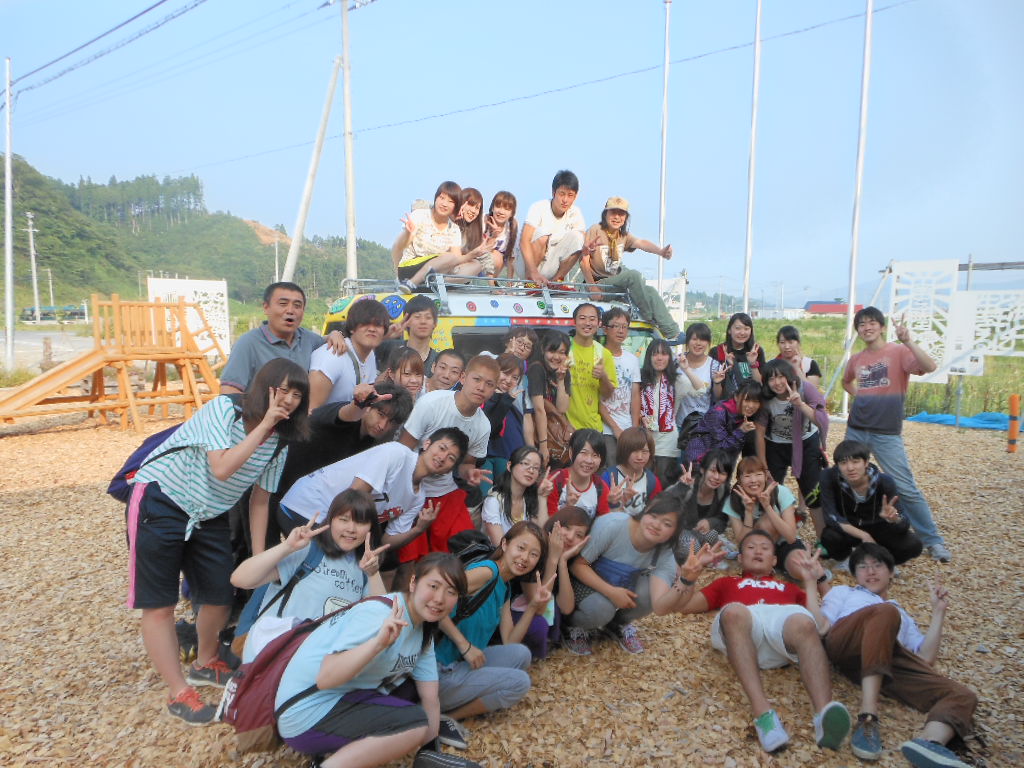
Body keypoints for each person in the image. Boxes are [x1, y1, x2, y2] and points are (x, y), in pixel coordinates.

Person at [126, 359, 310, 724]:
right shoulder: (224, 410)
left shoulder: (279, 443)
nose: (289, 400)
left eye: (297, 394)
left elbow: (260, 499)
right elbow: (222, 468)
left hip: (209, 512)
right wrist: (266, 423)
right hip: (161, 499)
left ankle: (205, 662)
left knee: (219, 594)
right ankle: (178, 691)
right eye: (283, 390)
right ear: (264, 387)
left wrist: (260, 557)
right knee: (159, 604)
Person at [274, 553, 469, 768]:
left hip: (340, 698)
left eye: (451, 592)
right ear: (413, 582)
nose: (440, 598)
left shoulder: (423, 630)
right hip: (304, 714)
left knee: (410, 690)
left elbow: (430, 698)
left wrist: (430, 753)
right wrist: (377, 644)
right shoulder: (379, 615)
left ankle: (338, 752)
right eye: (433, 586)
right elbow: (325, 679)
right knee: (415, 724)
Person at [677, 530, 852, 755]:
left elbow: (819, 626)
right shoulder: (726, 583)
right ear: (740, 558)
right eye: (750, 547)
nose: (758, 551)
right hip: (743, 626)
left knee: (803, 622)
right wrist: (690, 575)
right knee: (734, 613)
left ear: (774, 560)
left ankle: (824, 715)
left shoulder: (791, 589)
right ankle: (764, 716)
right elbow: (685, 606)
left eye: (765, 548)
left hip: (781, 629)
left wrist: (810, 582)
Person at [820, 543, 976, 767]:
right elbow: (823, 627)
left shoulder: (901, 613)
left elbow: (925, 659)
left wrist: (938, 613)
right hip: (847, 643)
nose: (870, 571)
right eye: (863, 567)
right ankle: (868, 717)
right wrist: (813, 581)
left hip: (886, 660)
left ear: (891, 572)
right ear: (854, 575)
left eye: (877, 565)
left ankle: (930, 743)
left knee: (963, 695)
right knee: (886, 612)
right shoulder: (844, 592)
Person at [842, 306, 951, 562]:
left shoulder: (899, 351)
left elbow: (930, 366)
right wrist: (861, 396)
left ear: (881, 327)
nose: (866, 328)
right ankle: (851, 537)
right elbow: (846, 382)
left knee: (905, 487)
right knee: (848, 481)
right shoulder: (856, 359)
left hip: (887, 432)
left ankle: (932, 540)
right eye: (861, 324)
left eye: (872, 323)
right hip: (857, 428)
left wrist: (908, 341)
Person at [231, 489, 389, 662]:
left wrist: (373, 574)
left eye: (360, 522)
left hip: (314, 664)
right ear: (331, 520)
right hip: (274, 657)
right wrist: (287, 547)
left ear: (371, 528)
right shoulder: (308, 550)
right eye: (343, 519)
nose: (351, 529)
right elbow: (240, 579)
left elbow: (382, 623)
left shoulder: (365, 570)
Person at [434, 522, 554, 749]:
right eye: (521, 548)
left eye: (533, 554)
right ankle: (439, 717)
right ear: (505, 544)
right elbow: (433, 601)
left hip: (460, 663)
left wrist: (533, 606)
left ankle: (446, 716)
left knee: (521, 654)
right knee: (519, 683)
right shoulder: (487, 571)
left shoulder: (505, 587)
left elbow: (510, 640)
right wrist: (465, 645)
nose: (525, 558)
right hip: (437, 670)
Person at [278, 428, 470, 562]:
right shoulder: (397, 454)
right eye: (442, 448)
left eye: (451, 458)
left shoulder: (418, 497)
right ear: (427, 443)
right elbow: (354, 495)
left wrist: (419, 529)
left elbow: (385, 542)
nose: (442, 457)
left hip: (336, 524)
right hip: (306, 506)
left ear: (450, 470)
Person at [563, 497, 724, 656]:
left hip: (619, 583)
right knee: (601, 609)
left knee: (647, 592)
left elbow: (660, 607)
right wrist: (611, 592)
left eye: (667, 524)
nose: (656, 525)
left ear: (675, 531)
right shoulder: (613, 525)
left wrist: (688, 578)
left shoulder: (665, 553)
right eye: (653, 516)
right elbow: (577, 565)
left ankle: (617, 624)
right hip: (582, 580)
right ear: (644, 512)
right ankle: (573, 626)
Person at [398, 355, 499, 561]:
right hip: (409, 487)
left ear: (494, 390)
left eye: (489, 384)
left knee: (462, 555)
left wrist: (469, 472)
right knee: (410, 559)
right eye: (476, 379)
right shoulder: (432, 403)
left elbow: (466, 464)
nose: (481, 388)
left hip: (444, 491)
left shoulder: (483, 426)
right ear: (463, 377)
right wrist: (406, 491)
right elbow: (402, 450)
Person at [276, 381, 413, 500]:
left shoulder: (371, 442)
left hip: (306, 497)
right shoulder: (346, 415)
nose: (382, 425)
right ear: (369, 407)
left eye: (391, 422)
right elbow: (349, 413)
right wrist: (359, 403)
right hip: (279, 484)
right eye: (381, 414)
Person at [578, 196, 681, 342]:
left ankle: (672, 333)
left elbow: (641, 243)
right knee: (633, 276)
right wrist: (592, 288)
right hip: (598, 284)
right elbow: (583, 261)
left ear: (626, 217)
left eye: (621, 213)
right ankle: (648, 317)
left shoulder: (623, 235)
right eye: (613, 212)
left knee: (650, 291)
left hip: (614, 285)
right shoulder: (595, 230)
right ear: (605, 214)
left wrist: (661, 251)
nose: (617, 217)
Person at [219, 282, 345, 395]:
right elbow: (230, 390)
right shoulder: (248, 343)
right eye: (283, 304)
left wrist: (335, 334)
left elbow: (325, 341)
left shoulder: (310, 340)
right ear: (266, 307)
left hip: (302, 413)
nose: (290, 310)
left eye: (297, 305)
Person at [818, 440, 924, 566]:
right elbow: (831, 517)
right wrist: (864, 536)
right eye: (843, 463)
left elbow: (904, 523)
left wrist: (894, 518)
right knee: (829, 537)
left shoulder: (885, 482)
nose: (850, 468)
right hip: (849, 527)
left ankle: (884, 561)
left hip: (878, 526)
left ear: (866, 462)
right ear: (837, 465)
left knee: (913, 544)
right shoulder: (828, 477)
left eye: (855, 461)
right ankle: (846, 559)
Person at [754, 358, 829, 535]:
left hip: (806, 442)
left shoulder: (805, 389)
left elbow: (821, 419)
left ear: (789, 376)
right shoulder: (766, 397)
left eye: (781, 377)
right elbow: (759, 433)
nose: (777, 382)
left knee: (813, 493)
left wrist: (800, 404)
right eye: (772, 378)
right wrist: (764, 466)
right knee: (770, 491)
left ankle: (823, 539)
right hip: (775, 445)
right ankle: (771, 536)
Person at [393, 181, 494, 290]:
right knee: (449, 257)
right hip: (413, 267)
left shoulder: (460, 230)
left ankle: (437, 283)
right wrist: (408, 234)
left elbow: (459, 259)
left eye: (477, 208)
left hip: (439, 269)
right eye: (442, 198)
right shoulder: (422, 215)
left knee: (476, 265)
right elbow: (398, 247)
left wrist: (472, 255)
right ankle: (414, 282)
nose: (473, 210)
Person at [722, 456, 810, 580]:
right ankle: (766, 567)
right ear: (739, 480)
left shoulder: (780, 492)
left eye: (758, 474)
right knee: (764, 525)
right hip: (756, 550)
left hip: (783, 543)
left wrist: (768, 507)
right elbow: (742, 543)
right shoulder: (733, 501)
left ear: (765, 476)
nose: (753, 480)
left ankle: (819, 578)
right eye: (747, 476)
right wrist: (748, 512)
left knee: (803, 570)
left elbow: (791, 537)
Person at [639, 338, 707, 486]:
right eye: (655, 354)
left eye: (664, 354)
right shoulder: (640, 378)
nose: (659, 358)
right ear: (649, 357)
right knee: (643, 482)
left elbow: (701, 390)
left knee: (663, 482)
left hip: (667, 440)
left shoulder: (676, 380)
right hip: (643, 439)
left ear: (669, 357)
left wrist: (686, 369)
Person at [309, 299, 392, 410]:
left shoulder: (370, 355)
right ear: (352, 328)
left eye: (378, 325)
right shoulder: (333, 356)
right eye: (365, 323)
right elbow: (310, 411)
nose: (372, 329)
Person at [660, 448, 734, 556]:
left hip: (698, 533)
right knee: (694, 547)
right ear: (703, 470)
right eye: (713, 471)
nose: (716, 477)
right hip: (677, 530)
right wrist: (681, 487)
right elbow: (663, 504)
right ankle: (685, 560)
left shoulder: (723, 490)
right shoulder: (689, 484)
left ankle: (700, 557)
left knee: (713, 535)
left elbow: (723, 519)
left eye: (722, 473)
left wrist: (710, 522)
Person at [519, 170, 586, 284]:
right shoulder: (539, 207)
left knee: (579, 238)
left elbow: (582, 242)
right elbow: (524, 241)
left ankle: (556, 282)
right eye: (562, 194)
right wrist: (533, 272)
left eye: (570, 195)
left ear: (575, 196)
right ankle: (530, 282)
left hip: (552, 264)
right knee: (543, 233)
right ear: (553, 192)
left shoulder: (576, 213)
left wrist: (588, 246)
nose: (565, 200)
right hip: (528, 263)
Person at [481, 446, 554, 544]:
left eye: (536, 468)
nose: (531, 470)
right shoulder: (494, 501)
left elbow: (541, 535)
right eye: (526, 463)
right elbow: (499, 545)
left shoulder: (530, 499)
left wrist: (542, 497)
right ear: (509, 466)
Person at [598, 307, 641, 467]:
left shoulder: (632, 359)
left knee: (630, 470)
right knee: (611, 471)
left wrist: (634, 429)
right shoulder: (598, 356)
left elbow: (635, 395)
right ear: (605, 329)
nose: (621, 331)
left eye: (624, 326)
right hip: (606, 429)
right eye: (616, 326)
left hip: (628, 428)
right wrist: (615, 428)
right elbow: (596, 399)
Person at [685, 380, 763, 465]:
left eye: (756, 401)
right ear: (736, 397)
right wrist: (741, 431)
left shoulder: (745, 415)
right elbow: (720, 448)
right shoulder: (719, 413)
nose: (751, 405)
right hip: (700, 461)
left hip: (720, 462)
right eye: (746, 400)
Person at [479, 353, 526, 496]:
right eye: (505, 373)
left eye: (515, 377)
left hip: (506, 459)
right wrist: (502, 400)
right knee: (484, 497)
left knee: (505, 498)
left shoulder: (512, 405)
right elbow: (488, 428)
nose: (509, 380)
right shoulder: (480, 395)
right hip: (481, 458)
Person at [567, 303, 617, 432]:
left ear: (599, 323)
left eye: (592, 319)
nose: (587, 323)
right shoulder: (564, 349)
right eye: (582, 318)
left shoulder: (604, 354)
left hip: (593, 429)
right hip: (565, 428)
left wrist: (603, 376)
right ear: (574, 321)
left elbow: (607, 395)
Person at [546, 429, 616, 519]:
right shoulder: (555, 481)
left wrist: (615, 505)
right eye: (583, 453)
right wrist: (568, 506)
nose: (589, 461)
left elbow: (603, 524)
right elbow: (548, 523)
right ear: (571, 453)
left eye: (595, 455)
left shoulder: (601, 487)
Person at [526, 331, 571, 467]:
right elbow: (539, 410)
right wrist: (543, 446)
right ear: (542, 349)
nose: (556, 357)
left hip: (554, 435)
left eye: (562, 352)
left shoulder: (564, 372)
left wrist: (561, 380)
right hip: (537, 436)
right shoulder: (536, 369)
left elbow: (562, 409)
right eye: (552, 351)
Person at [375, 294, 440, 379]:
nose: (423, 321)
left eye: (428, 317)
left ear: (435, 323)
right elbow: (361, 353)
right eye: (417, 317)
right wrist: (385, 336)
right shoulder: (389, 347)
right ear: (407, 321)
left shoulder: (439, 361)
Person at [602, 427, 662, 516]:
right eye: (634, 451)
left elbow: (656, 512)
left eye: (644, 452)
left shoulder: (652, 481)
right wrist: (610, 502)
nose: (640, 457)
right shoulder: (608, 477)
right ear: (624, 451)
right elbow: (598, 514)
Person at [712, 312, 765, 399]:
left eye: (746, 329)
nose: (742, 332)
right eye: (738, 328)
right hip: (727, 403)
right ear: (729, 330)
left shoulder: (756, 351)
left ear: (751, 331)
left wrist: (753, 364)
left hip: (750, 402)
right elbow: (716, 394)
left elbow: (760, 385)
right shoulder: (718, 351)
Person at [483, 190, 518, 279]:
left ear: (512, 213)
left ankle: (492, 283)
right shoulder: (483, 221)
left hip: (494, 272)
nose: (501, 212)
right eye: (498, 206)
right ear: (492, 208)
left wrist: (509, 284)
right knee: (496, 255)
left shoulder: (510, 230)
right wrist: (493, 237)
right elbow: (480, 253)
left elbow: (511, 260)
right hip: (478, 267)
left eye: (506, 209)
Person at [454, 187, 484, 256]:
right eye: (471, 205)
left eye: (477, 208)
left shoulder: (475, 232)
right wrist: (453, 219)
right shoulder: (447, 222)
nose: (473, 211)